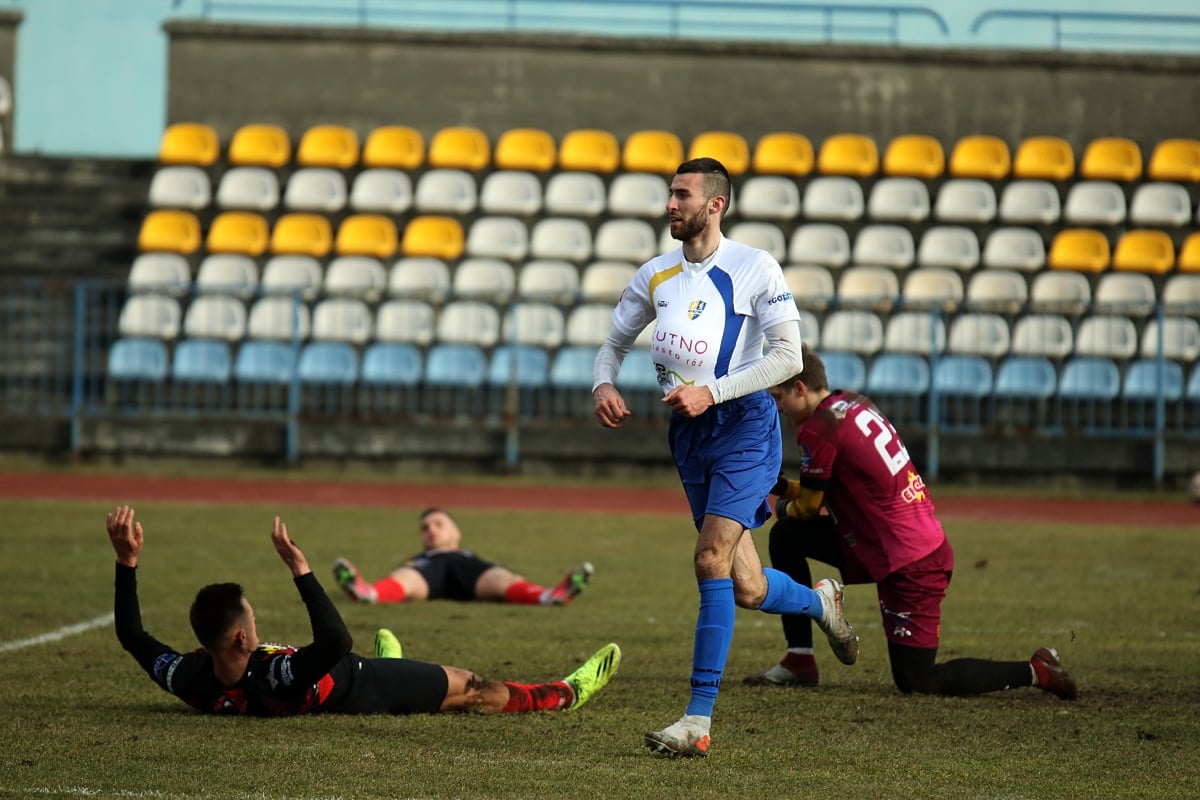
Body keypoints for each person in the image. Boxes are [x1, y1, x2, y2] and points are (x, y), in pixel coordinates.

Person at [591, 157, 858, 759]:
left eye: (682, 195)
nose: (670, 205)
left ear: (717, 204)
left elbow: (789, 357)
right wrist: (603, 384)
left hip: (744, 428)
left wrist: (713, 390)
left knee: (709, 558)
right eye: (669, 194)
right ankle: (820, 601)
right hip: (688, 435)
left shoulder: (754, 267)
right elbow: (612, 345)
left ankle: (697, 719)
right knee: (745, 585)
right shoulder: (655, 275)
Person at [742, 344, 1078, 701]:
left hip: (907, 560)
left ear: (800, 387)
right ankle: (800, 659)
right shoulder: (851, 403)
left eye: (779, 397)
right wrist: (782, 487)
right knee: (787, 538)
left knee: (918, 680)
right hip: (891, 542)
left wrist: (775, 505)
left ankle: (1037, 670)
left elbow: (810, 507)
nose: (777, 408)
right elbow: (820, 489)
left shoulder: (817, 429)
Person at [106, 505, 621, 717]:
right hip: (363, 684)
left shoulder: (193, 678)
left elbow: (133, 636)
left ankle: (394, 651)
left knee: (395, 651)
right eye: (250, 618)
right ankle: (561, 695)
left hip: (346, 673)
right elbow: (334, 643)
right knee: (469, 686)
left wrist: (127, 562)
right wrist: (302, 570)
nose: (255, 622)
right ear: (242, 639)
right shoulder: (274, 675)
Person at [330, 507, 594, 606]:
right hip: (430, 571)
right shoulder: (421, 559)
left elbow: (493, 576)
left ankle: (549, 596)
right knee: (405, 576)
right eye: (425, 527)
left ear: (457, 532)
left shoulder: (468, 556)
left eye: (438, 524)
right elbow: (410, 576)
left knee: (502, 577)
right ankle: (369, 593)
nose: (430, 530)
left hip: (467, 571)